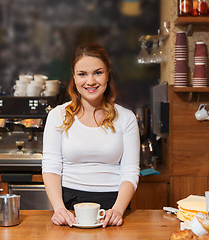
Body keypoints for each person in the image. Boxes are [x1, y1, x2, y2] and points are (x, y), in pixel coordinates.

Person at [42, 42, 140, 228]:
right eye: (82, 74)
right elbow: (51, 166)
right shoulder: (57, 115)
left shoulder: (126, 118)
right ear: (74, 77)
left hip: (114, 205)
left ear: (108, 74)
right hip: (69, 206)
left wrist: (118, 210)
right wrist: (59, 209)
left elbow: (130, 170)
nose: (91, 81)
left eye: (98, 72)